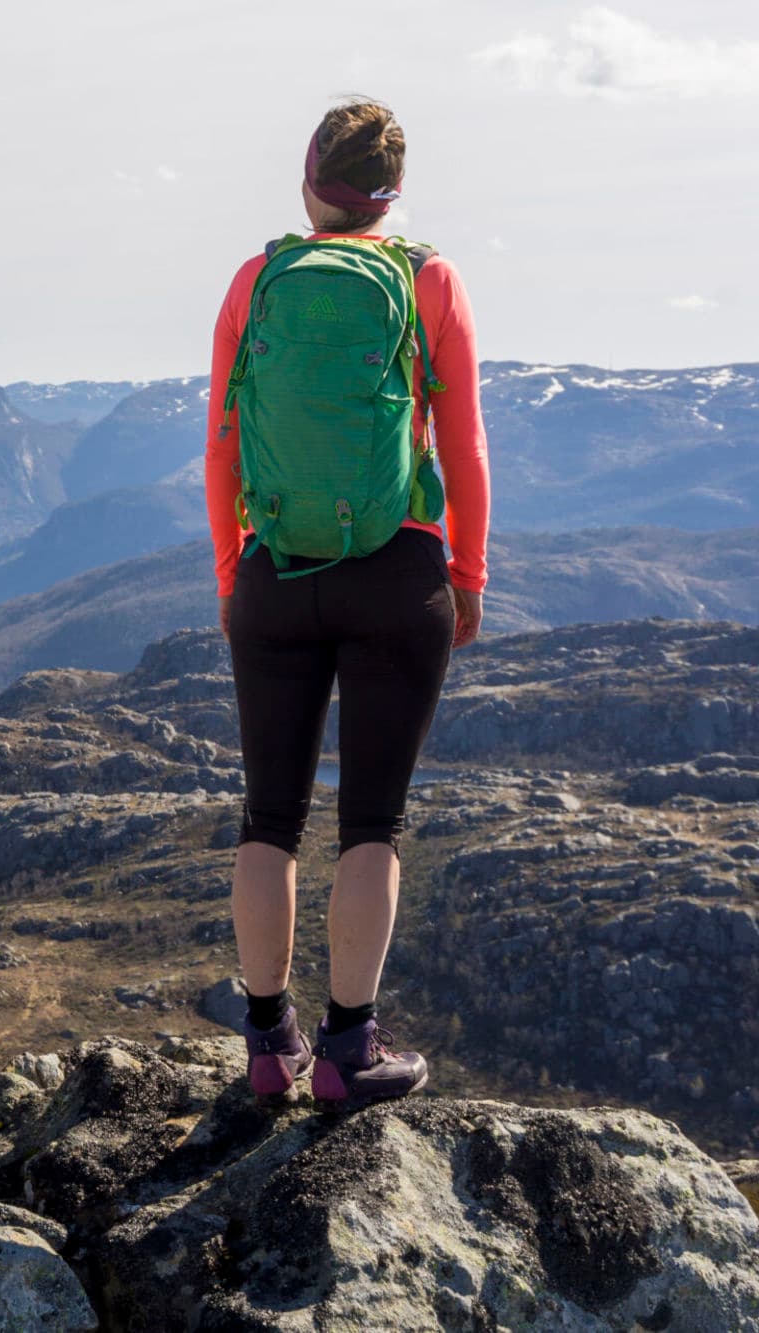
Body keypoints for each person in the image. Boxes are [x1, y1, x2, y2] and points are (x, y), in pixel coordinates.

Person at [204, 99, 491, 1104]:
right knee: (370, 822)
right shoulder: (425, 279)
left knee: (267, 817)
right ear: (391, 191)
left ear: (308, 175)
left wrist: (231, 571)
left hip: (272, 574)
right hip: (395, 572)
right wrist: (466, 575)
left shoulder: (257, 280)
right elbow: (460, 449)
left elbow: (222, 445)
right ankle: (346, 1050)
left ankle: (264, 1044)